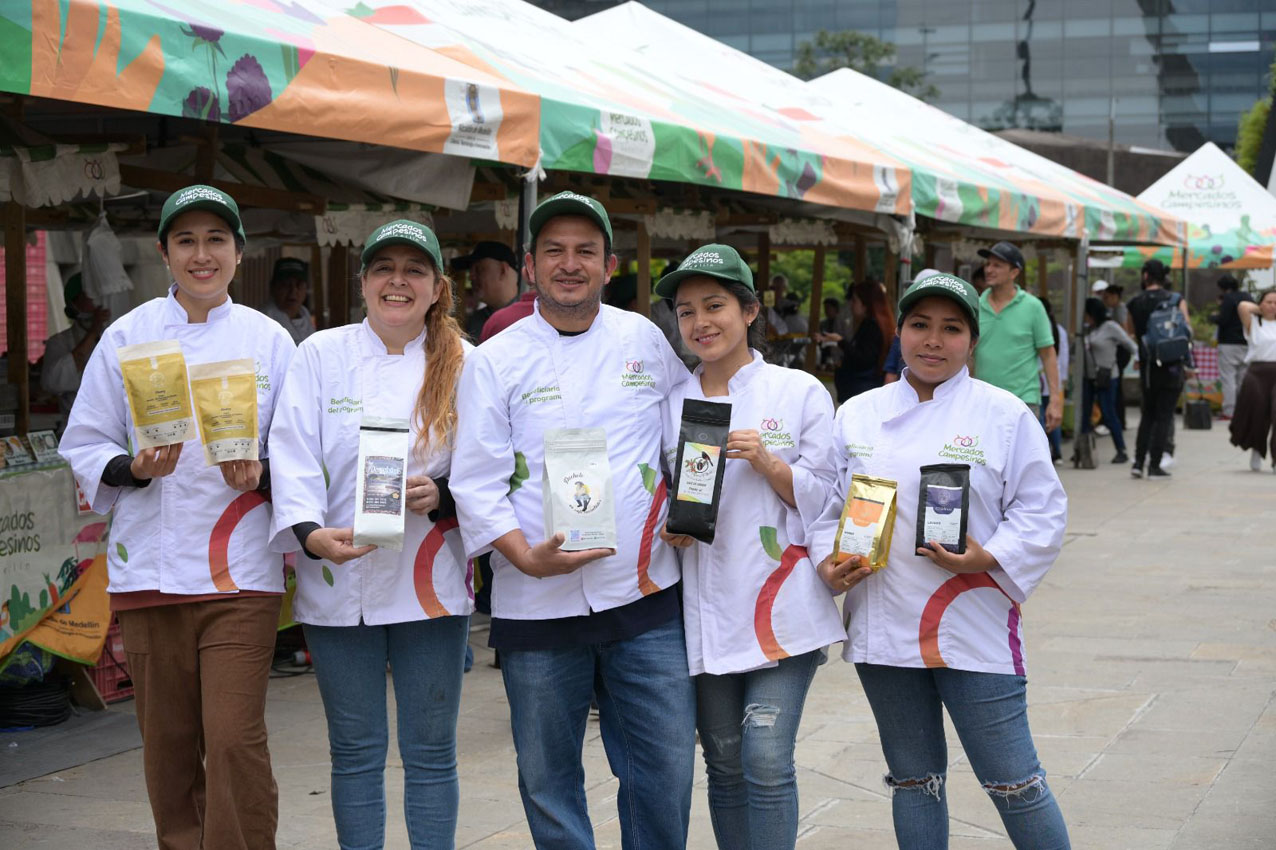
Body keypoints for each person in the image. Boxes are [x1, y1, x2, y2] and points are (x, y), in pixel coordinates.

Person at [450, 191, 695, 849]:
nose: (569, 264)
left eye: (585, 251)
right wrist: (523, 557)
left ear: (608, 265)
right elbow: (474, 481)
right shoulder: (496, 360)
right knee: (548, 779)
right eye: (553, 250)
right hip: (537, 603)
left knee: (663, 769)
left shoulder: (644, 338)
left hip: (642, 597)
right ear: (530, 266)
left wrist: (690, 509)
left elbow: (682, 440)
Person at [59, 184, 296, 850]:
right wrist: (135, 468)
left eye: (216, 240)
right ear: (164, 252)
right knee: (167, 749)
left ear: (238, 253)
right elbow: (84, 443)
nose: (202, 254)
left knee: (232, 742)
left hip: (240, 573)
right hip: (150, 571)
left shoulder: (270, 341)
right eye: (186, 240)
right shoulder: (126, 337)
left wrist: (263, 474)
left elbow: (303, 454)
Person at [812, 272, 1070, 850]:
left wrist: (990, 554)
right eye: (919, 325)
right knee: (913, 781)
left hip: (970, 622)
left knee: (1013, 780)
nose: (933, 340)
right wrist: (829, 564)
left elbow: (1044, 509)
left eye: (951, 328)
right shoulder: (858, 413)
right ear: (898, 332)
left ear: (972, 342)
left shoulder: (1003, 416)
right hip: (883, 626)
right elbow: (827, 506)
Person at [267, 220, 472, 848]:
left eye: (414, 270)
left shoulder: (469, 364)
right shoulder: (320, 355)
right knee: (354, 750)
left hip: (429, 579)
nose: (398, 281)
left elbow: (494, 465)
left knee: (431, 750)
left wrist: (444, 496)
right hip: (337, 575)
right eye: (384, 268)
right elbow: (291, 451)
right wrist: (307, 533)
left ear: (437, 287)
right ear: (363, 283)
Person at [654, 245, 844, 850]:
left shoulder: (800, 392)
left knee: (765, 755)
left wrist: (768, 462)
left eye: (715, 306)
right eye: (686, 312)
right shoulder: (668, 402)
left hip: (781, 603)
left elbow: (830, 499)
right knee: (725, 760)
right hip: (705, 608)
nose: (700, 323)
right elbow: (660, 490)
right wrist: (672, 525)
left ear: (751, 310)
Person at [973, 242, 1062, 432]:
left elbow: (1048, 354)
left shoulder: (1033, 307)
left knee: (1022, 461)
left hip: (1023, 401)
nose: (989, 269)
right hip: (983, 402)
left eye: (997, 265)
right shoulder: (976, 306)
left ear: (1014, 272)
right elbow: (968, 355)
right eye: (988, 264)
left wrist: (1056, 400)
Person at [1124, 259, 1192, 478]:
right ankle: (1155, 465)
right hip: (1172, 366)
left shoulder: (1134, 302)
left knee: (1148, 415)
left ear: (1145, 276)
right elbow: (1187, 331)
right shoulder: (1175, 299)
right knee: (1164, 416)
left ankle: (1137, 463)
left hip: (1148, 367)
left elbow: (1131, 332)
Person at [41, 272, 109, 421]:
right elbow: (52, 383)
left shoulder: (114, 336)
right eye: (90, 296)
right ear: (75, 302)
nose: (97, 301)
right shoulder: (59, 342)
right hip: (77, 426)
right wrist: (93, 331)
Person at [1080, 297, 1138, 463]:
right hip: (1089, 377)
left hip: (1106, 377)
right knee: (1085, 414)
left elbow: (1130, 345)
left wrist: (1136, 361)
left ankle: (1121, 450)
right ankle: (1084, 449)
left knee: (1108, 413)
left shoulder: (1110, 327)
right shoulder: (1086, 330)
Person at [1229, 289, 1276, 472]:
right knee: (1258, 414)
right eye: (1269, 302)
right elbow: (1242, 306)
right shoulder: (1254, 323)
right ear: (1260, 303)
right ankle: (1257, 449)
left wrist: (1270, 307)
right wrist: (1263, 310)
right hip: (1257, 373)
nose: (1273, 306)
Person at [826, 280, 895, 403]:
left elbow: (864, 359)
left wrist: (841, 341)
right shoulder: (876, 324)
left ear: (865, 304)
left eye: (854, 301)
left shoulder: (872, 326)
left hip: (862, 390)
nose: (851, 305)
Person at [454, 240, 521, 340]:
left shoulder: (533, 315)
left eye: (479, 269)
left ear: (503, 270)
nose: (471, 277)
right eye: (470, 271)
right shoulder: (475, 321)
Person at [1213, 274, 1253, 420]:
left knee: (1228, 377)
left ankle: (1229, 411)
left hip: (1229, 343)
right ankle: (1244, 411)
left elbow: (1223, 320)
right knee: (1243, 378)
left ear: (1223, 288)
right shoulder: (1248, 297)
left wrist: (1213, 317)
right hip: (1247, 342)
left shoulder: (1228, 299)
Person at [1035, 296, 1068, 462]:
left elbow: (1049, 356)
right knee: (1053, 417)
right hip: (1053, 380)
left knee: (1042, 417)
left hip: (1041, 379)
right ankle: (1057, 452)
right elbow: (1063, 358)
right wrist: (1062, 379)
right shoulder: (1060, 329)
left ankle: (1045, 452)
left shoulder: (1040, 326)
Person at [1095, 282, 1130, 429]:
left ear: (1115, 297)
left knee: (1115, 388)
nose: (1105, 301)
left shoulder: (1119, 310)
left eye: (1107, 297)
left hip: (1120, 351)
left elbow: (1124, 330)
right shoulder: (1115, 310)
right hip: (1117, 350)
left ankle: (1117, 420)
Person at [263, 257, 314, 344]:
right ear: (273, 288)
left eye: (299, 285)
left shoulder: (304, 312)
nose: (293, 291)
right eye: (286, 285)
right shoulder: (265, 319)